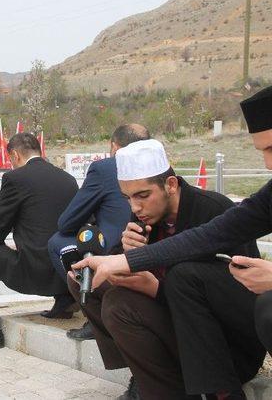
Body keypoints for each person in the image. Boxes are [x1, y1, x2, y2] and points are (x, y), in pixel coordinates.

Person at [73, 135, 268, 398]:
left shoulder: (214, 209)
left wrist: (157, 288)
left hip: (223, 346)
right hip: (175, 326)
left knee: (120, 305)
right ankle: (143, 374)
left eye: (142, 195)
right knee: (84, 280)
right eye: (127, 198)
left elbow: (239, 302)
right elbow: (128, 265)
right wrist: (125, 251)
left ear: (171, 185)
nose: (136, 207)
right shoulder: (145, 214)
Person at [0, 133, 78, 349]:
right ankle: (64, 302)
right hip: (63, 274)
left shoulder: (15, 179)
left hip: (32, 273)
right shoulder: (68, 179)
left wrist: (4, 244)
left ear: (14, 155)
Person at [44, 124, 149, 330]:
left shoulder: (106, 168)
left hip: (117, 250)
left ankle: (92, 313)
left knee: (57, 241)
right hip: (154, 245)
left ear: (114, 147)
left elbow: (66, 222)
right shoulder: (159, 168)